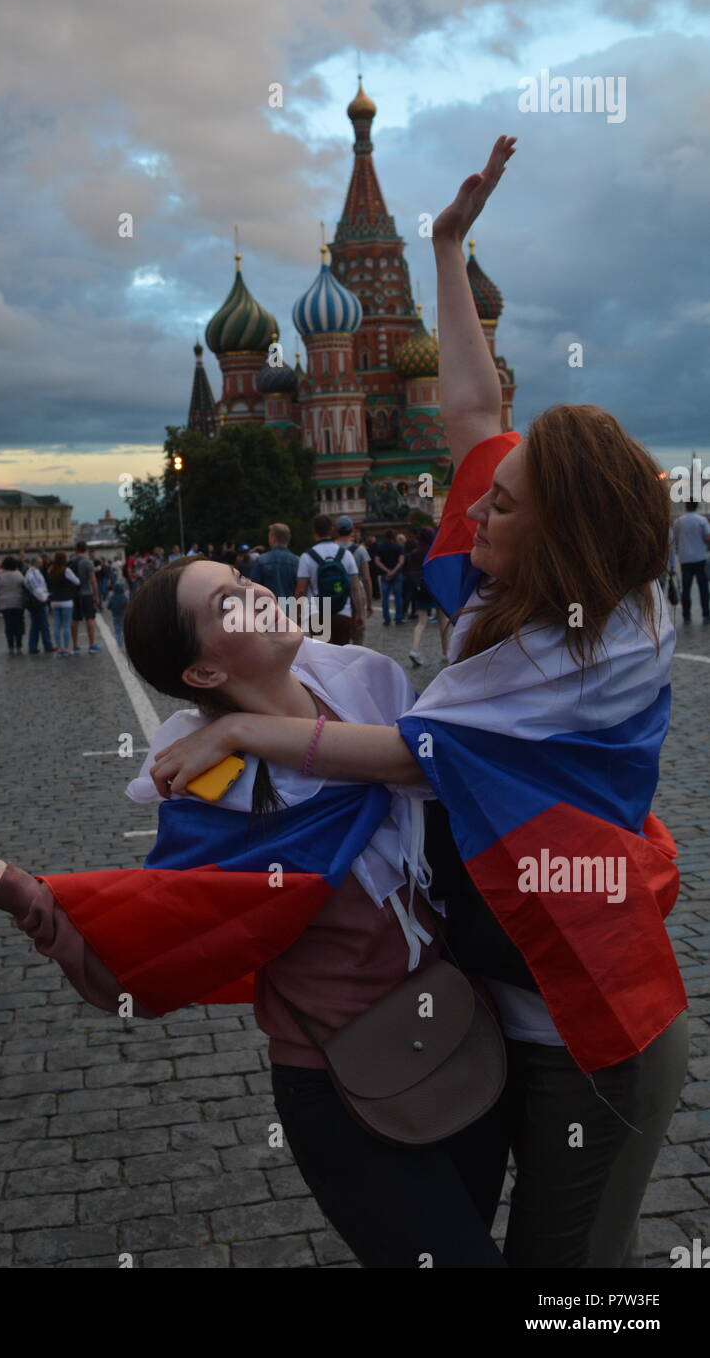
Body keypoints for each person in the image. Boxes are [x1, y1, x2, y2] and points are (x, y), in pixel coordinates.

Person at [145, 137, 690, 1271]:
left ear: (561, 531)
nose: (472, 512)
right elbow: (468, 408)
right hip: (506, 998)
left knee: (574, 1269)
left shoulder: (587, 649)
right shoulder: (527, 579)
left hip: (586, 1008)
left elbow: (403, 754)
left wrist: (243, 724)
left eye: (501, 504)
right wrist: (445, 252)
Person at [0, 554, 511, 1270]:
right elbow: (157, 927)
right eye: (226, 604)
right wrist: (18, 891)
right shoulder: (212, 787)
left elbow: (448, 771)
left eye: (243, 580)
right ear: (205, 675)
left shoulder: (369, 682)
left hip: (461, 1033)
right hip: (343, 1082)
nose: (255, 593)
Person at [295, 514, 364, 646]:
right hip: (343, 611)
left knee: (322, 660)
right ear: (332, 529)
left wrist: (296, 616)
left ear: (314, 531)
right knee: (341, 657)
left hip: (317, 613)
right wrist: (360, 613)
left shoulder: (306, 557)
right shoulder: (346, 554)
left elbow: (300, 591)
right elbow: (355, 588)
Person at [334, 516, 373, 645]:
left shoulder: (332, 549)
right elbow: (367, 579)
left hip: (337, 594)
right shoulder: (360, 550)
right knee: (358, 639)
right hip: (357, 595)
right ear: (352, 530)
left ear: (336, 530)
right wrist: (369, 603)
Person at [672, 501, 710, 623]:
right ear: (696, 506)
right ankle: (705, 614)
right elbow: (708, 537)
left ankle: (686, 615)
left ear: (686, 506)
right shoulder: (702, 520)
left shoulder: (679, 521)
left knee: (686, 589)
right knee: (703, 588)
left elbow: (675, 539)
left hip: (685, 558)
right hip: (700, 557)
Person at [407, 526, 436, 666]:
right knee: (443, 621)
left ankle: (414, 649)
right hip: (434, 587)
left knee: (421, 622)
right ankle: (447, 651)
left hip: (419, 589)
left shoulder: (414, 552)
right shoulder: (433, 552)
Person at [249, 523, 299, 600]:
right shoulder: (297, 561)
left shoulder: (261, 560)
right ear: (288, 538)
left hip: (269, 608)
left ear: (273, 538)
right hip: (291, 608)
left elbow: (254, 589)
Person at [68, 540, 101, 654]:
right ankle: (92, 644)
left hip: (74, 594)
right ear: (86, 549)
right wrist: (96, 596)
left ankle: (75, 645)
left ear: (76, 549)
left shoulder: (71, 562)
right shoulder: (87, 562)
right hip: (86, 593)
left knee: (74, 619)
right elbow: (93, 581)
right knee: (90, 618)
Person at [47, 550, 80, 656]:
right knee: (66, 625)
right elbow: (77, 581)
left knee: (57, 625)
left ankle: (59, 647)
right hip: (66, 599)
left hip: (54, 600)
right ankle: (66, 648)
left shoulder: (51, 570)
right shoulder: (66, 570)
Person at [24, 554, 54, 654]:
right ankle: (47, 645)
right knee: (44, 624)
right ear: (35, 563)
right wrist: (45, 598)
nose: (41, 564)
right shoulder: (33, 573)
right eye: (40, 562)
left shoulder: (33, 572)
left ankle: (33, 646)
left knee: (36, 625)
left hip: (36, 601)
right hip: (38, 601)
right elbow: (37, 588)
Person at [374, 530, 405, 626]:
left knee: (385, 598)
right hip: (397, 574)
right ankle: (398, 618)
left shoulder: (380, 547)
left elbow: (377, 561)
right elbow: (401, 562)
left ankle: (386, 619)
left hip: (385, 575)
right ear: (393, 537)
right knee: (398, 597)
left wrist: (387, 571)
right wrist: (393, 571)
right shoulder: (398, 547)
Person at [0, 556, 26, 653]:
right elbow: (24, 585)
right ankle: (19, 645)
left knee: (8, 625)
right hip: (18, 602)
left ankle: (10, 646)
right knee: (18, 624)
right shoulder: (19, 574)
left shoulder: (0, 575)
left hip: (5, 604)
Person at [107, 578, 128, 645]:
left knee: (117, 629)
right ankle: (123, 640)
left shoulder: (112, 597)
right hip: (123, 615)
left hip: (115, 616)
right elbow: (127, 606)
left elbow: (109, 607)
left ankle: (119, 641)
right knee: (123, 629)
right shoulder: (124, 597)